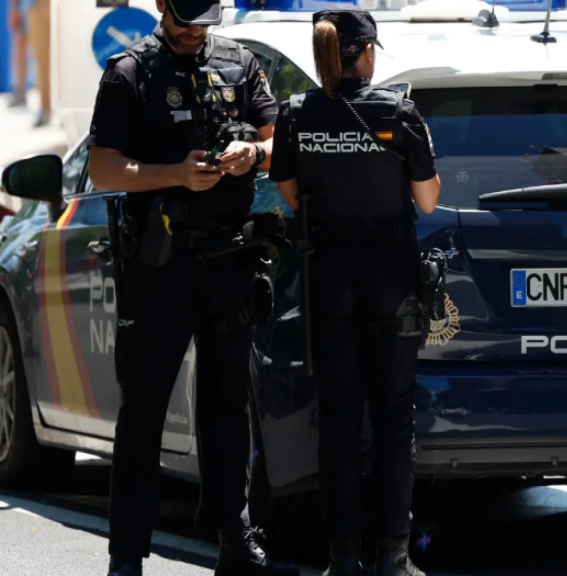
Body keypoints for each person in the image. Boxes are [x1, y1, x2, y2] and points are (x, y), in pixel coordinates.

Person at [87, 1, 298, 575]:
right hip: (160, 265)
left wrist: (251, 153)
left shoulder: (241, 63)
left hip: (229, 258)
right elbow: (104, 169)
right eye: (185, 19)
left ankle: (234, 539)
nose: (195, 31)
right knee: (144, 410)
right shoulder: (130, 71)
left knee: (228, 408)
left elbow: (283, 144)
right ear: (160, 6)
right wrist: (175, 174)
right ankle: (126, 555)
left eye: (205, 21)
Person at [267, 6, 441, 576]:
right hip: (390, 275)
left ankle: (343, 560)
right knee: (393, 419)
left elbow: (291, 194)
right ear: (366, 52)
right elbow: (428, 201)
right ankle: (392, 557)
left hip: (329, 275)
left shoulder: (298, 114)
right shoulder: (399, 112)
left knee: (339, 421)